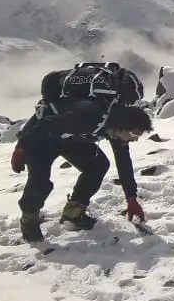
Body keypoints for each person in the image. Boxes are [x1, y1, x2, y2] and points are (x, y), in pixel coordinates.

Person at [10, 64, 153, 242]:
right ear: (123, 127)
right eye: (134, 135)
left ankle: (73, 214)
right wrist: (21, 148)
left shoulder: (114, 127)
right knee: (40, 183)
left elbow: (123, 162)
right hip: (41, 138)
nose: (134, 139)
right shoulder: (90, 114)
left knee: (98, 164)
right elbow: (45, 125)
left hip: (70, 138)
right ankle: (29, 221)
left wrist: (131, 197)